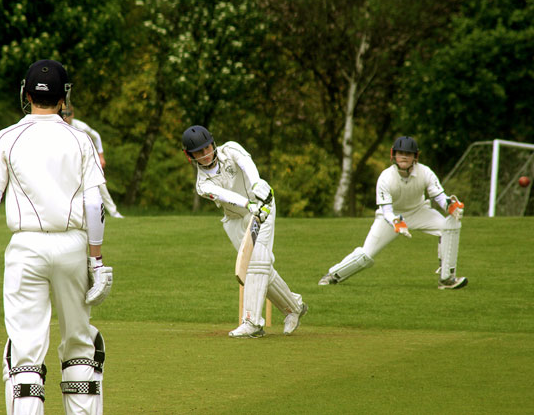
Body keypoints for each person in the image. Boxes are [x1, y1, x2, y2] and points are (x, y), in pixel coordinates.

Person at [0, 59, 113, 414]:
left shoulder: (7, 137)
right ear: (64, 99)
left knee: (25, 353)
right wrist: (97, 260)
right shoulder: (81, 139)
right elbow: (93, 205)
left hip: (25, 249)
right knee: (79, 345)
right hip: (73, 246)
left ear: (27, 95)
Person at [182, 125, 308, 338]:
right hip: (236, 219)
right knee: (260, 269)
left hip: (263, 207)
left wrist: (258, 185)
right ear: (190, 156)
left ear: (213, 143)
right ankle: (294, 307)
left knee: (258, 263)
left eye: (207, 148)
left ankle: (252, 322)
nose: (206, 154)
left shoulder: (231, 149)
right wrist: (248, 204)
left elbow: (247, 165)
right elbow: (223, 194)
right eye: (199, 153)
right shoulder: (202, 185)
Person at [318, 136, 468, 290]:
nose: (404, 156)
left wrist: (450, 206)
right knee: (366, 255)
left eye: (408, 154)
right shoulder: (385, 177)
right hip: (390, 218)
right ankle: (333, 276)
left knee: (450, 225)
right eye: (400, 153)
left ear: (415, 157)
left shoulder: (425, 172)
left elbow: (439, 196)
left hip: (419, 211)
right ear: (393, 155)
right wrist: (396, 222)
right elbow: (386, 210)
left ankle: (446, 279)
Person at [62, 104, 124, 218]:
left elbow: (96, 136)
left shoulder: (80, 126)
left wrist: (101, 156)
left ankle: (114, 213)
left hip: (85, 160)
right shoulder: (58, 128)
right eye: (64, 115)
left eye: (68, 114)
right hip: (68, 162)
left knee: (100, 184)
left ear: (73, 114)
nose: (66, 117)